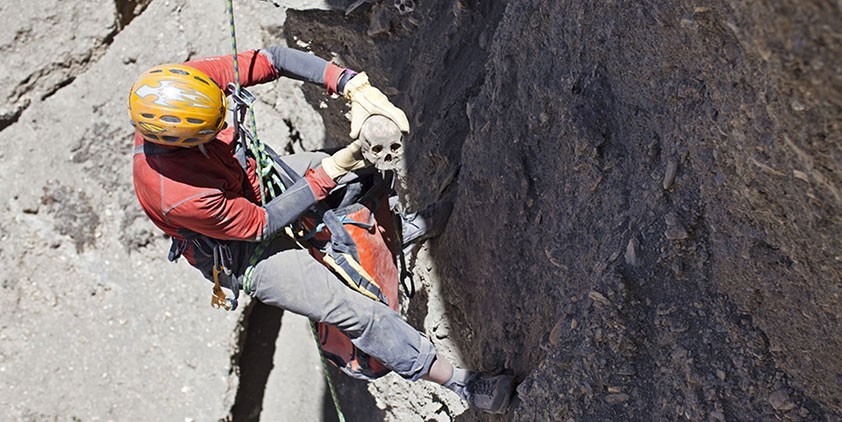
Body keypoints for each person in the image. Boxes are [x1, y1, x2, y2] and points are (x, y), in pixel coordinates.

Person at [128, 45, 513, 414]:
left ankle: (393, 232)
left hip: (252, 182)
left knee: (361, 179)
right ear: (182, 143)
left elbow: (273, 59)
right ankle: (460, 383)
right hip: (243, 249)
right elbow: (260, 224)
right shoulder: (176, 193)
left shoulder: (188, 88)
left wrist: (350, 84)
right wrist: (326, 174)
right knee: (351, 312)